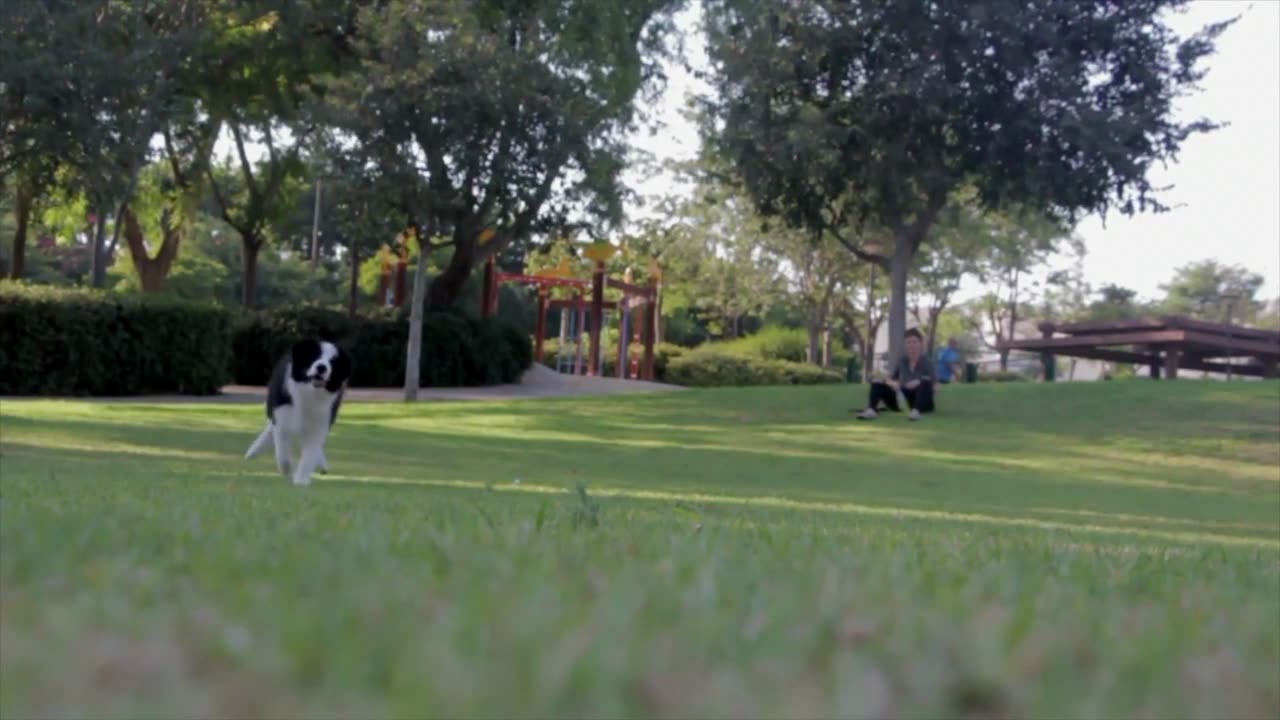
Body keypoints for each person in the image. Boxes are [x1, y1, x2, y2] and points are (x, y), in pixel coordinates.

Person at [855, 328, 935, 422]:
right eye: (908, 342)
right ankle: (872, 410)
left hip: (923, 401)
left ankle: (916, 411)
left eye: (914, 342)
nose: (911, 345)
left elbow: (934, 385)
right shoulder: (902, 361)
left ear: (920, 344)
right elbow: (892, 378)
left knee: (925, 381)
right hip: (904, 398)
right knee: (877, 381)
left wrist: (918, 382)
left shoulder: (927, 362)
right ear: (905, 345)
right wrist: (893, 383)